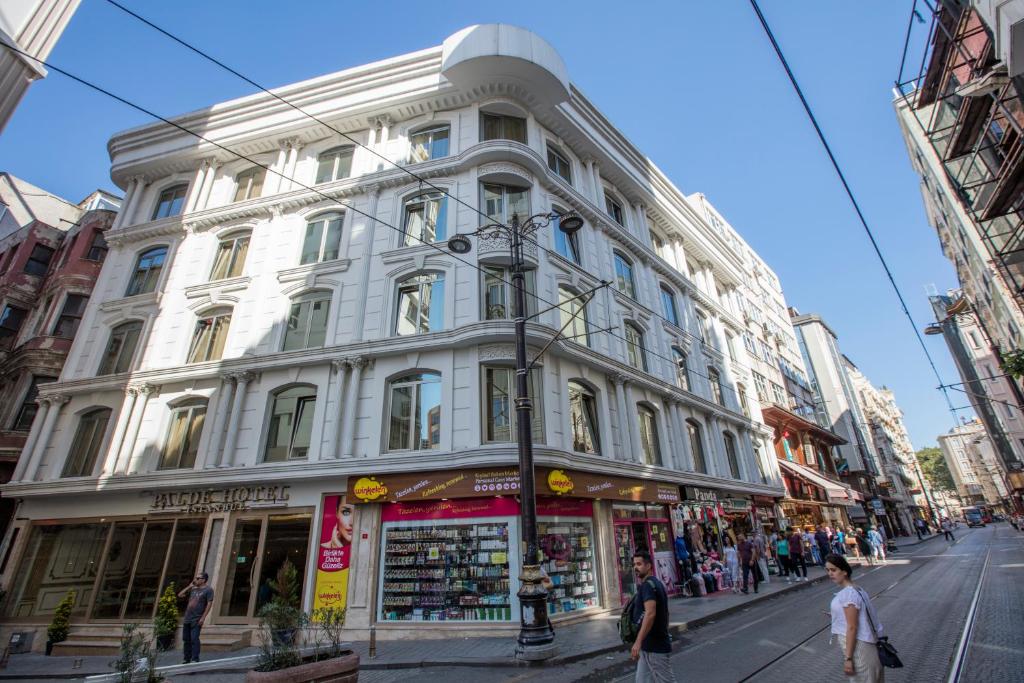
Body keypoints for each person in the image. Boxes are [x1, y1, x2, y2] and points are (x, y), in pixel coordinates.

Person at [825, 554, 884, 682]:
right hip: (865, 646)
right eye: (828, 570)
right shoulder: (857, 589)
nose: (830, 573)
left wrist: (848, 659)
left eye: (833, 570)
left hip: (860, 647)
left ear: (844, 571)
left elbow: (852, 627)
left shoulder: (848, 594)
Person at [630, 551, 677, 683]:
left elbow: (650, 613)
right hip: (648, 646)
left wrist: (638, 642)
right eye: (634, 564)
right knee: (641, 680)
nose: (635, 568)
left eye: (639, 564)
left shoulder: (648, 586)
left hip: (655, 647)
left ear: (649, 566)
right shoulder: (657, 583)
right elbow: (666, 613)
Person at [178, 572, 214, 664]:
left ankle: (195, 658)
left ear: (204, 580)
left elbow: (209, 604)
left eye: (198, 578)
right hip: (187, 617)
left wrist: (203, 618)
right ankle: (186, 658)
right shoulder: (193, 589)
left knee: (194, 638)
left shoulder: (208, 590)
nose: (196, 580)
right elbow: (180, 595)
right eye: (196, 578)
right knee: (186, 639)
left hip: (197, 618)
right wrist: (189, 586)